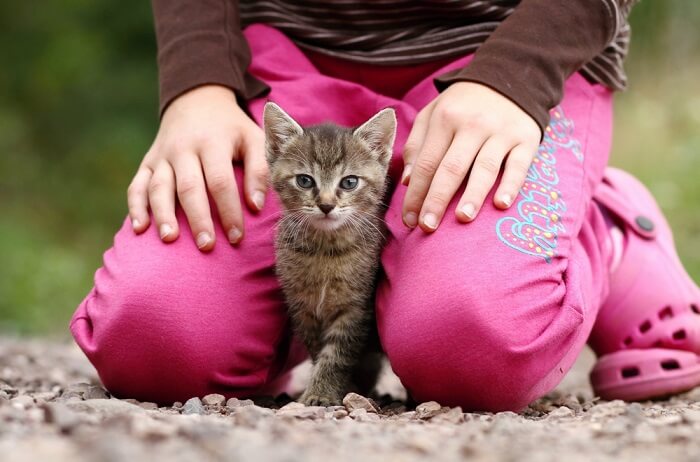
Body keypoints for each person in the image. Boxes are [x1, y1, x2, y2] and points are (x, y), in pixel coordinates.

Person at [70, 0, 700, 410]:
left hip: (507, 58)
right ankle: (270, 322)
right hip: (276, 66)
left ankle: (608, 231)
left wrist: (519, 70)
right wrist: (197, 80)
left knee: (472, 351)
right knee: (152, 342)